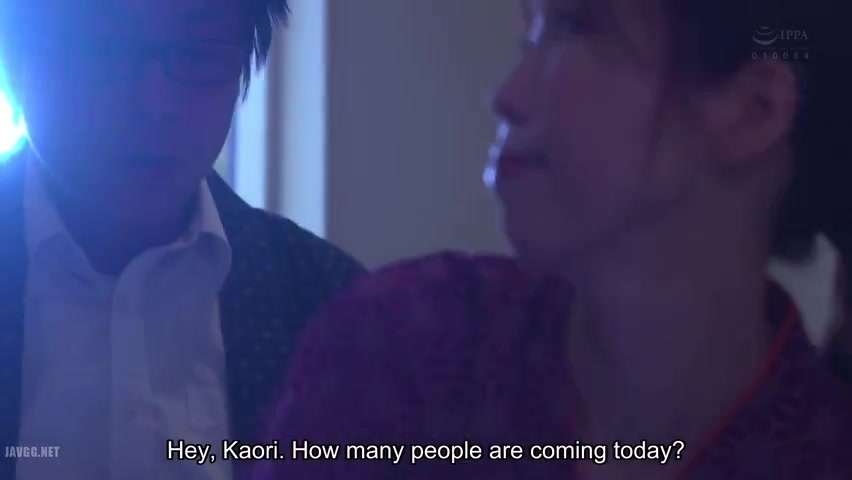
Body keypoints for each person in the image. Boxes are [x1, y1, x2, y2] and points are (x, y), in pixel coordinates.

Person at [253, 0, 852, 478]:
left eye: (572, 26)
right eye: (530, 37)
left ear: (754, 111)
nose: (506, 95)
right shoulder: (405, 349)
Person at [0, 0, 364, 479]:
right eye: (104, 49)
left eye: (199, 53)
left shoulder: (326, 303)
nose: (155, 104)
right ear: (18, 57)